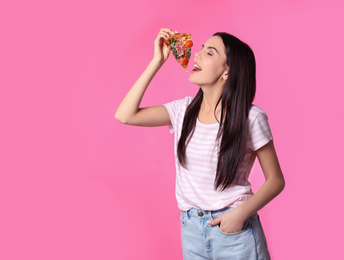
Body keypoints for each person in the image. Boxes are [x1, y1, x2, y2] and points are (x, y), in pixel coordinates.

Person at [115, 28, 285, 260]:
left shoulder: (251, 117)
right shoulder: (182, 111)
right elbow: (125, 115)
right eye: (201, 48)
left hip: (235, 233)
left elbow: (275, 180)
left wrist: (239, 215)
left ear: (227, 71)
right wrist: (157, 61)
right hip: (192, 231)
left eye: (210, 52)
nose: (197, 54)